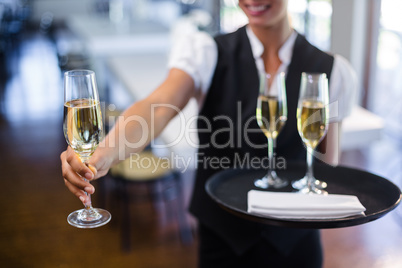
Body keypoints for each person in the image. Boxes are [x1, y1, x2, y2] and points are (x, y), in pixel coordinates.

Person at [61, 0, 356, 267]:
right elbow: (157, 108)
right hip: (223, 237)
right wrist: (106, 152)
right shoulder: (206, 51)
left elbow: (325, 164)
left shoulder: (333, 70)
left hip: (296, 241)